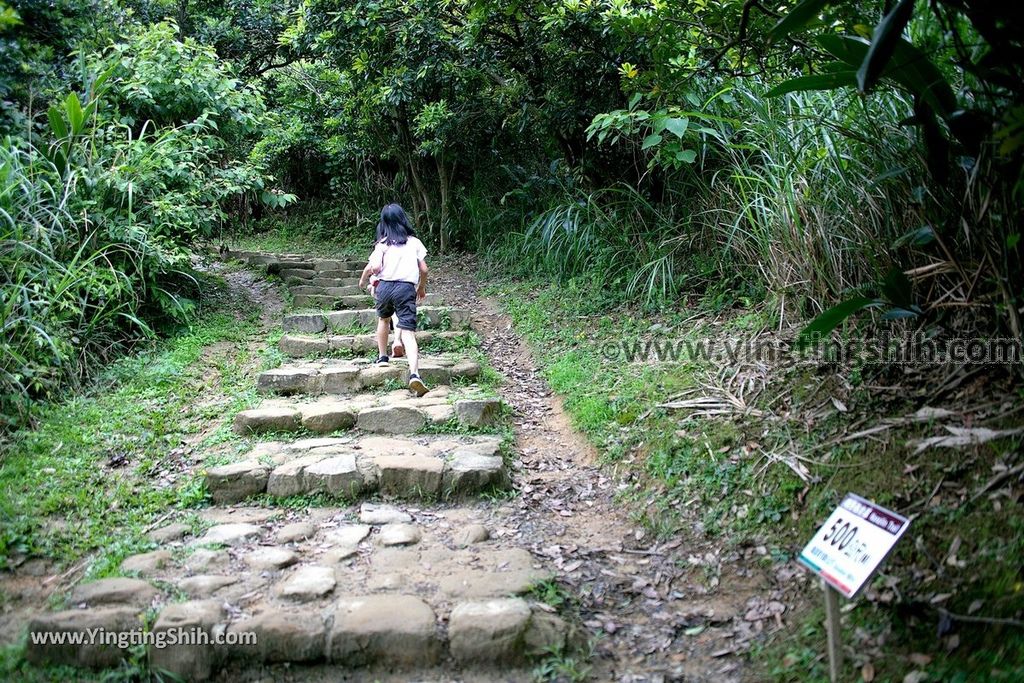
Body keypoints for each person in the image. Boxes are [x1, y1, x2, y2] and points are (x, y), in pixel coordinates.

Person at [358, 204, 429, 396]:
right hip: (405, 288)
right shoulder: (414, 242)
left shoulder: (382, 244)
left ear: (384, 222)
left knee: (383, 320)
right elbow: (424, 269)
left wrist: (366, 279)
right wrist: (421, 287)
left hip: (386, 287)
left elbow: (374, 267)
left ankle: (382, 357)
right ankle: (414, 373)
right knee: (408, 331)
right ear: (403, 219)